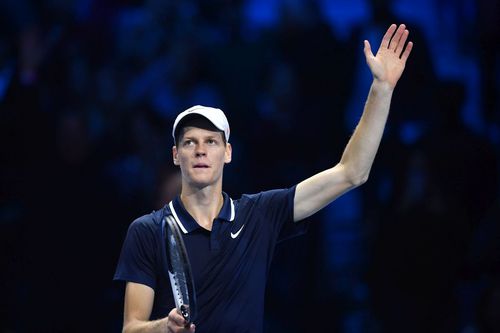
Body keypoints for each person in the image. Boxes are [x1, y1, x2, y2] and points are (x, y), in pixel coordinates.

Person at [114, 23, 413, 333]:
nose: (201, 150)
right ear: (176, 155)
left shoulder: (260, 214)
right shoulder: (146, 231)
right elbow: (131, 328)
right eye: (190, 142)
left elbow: (352, 172)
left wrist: (381, 88)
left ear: (227, 153)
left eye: (211, 141)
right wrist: (165, 326)